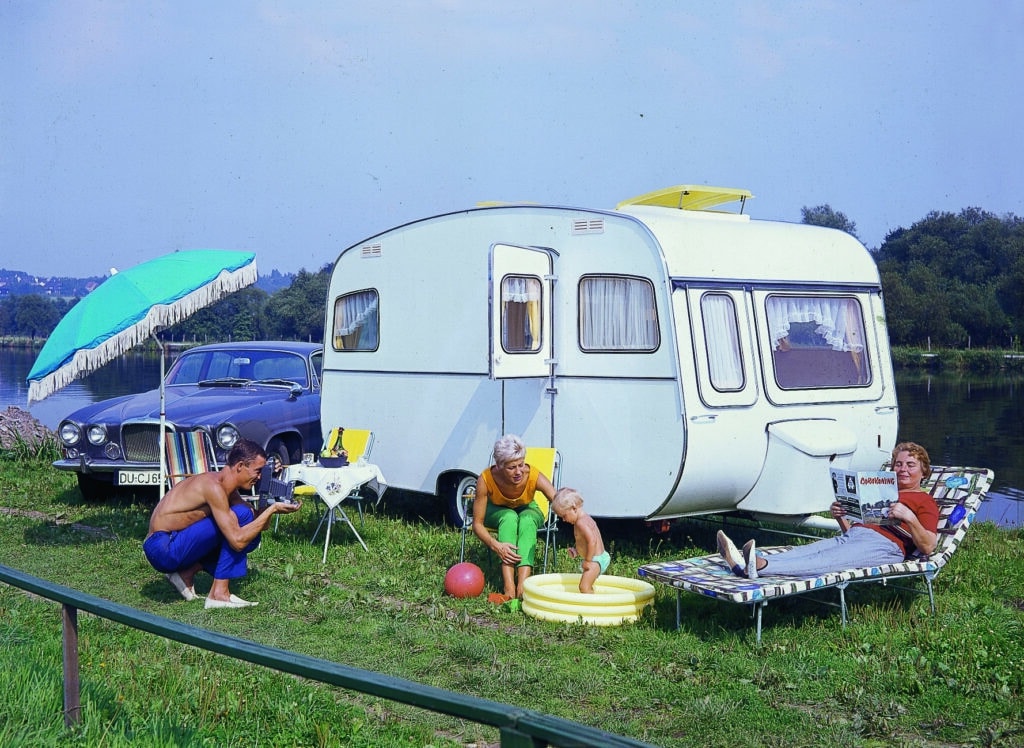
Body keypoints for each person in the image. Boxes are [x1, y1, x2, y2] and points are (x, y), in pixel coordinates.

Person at [717, 442, 938, 579]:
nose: (903, 470)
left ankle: (759, 565)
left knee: (826, 562)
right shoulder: (883, 490)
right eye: (899, 464)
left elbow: (928, 545)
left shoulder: (924, 501)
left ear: (924, 472)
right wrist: (842, 518)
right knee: (810, 551)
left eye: (911, 465)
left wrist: (908, 517)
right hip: (857, 535)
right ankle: (751, 562)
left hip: (886, 547)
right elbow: (855, 529)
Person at [143, 438, 302, 609]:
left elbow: (258, 524)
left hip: (175, 541)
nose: (259, 476)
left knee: (246, 520)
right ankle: (218, 594)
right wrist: (272, 510)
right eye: (257, 471)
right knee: (239, 520)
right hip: (162, 547)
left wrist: (267, 497)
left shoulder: (228, 490)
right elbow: (237, 541)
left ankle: (185, 575)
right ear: (240, 466)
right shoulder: (213, 487)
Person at [473, 434, 557, 603]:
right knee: (509, 517)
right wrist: (495, 545)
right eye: (512, 467)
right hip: (497, 510)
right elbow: (477, 524)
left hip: (528, 508)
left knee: (527, 519)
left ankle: (523, 587)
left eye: (521, 464)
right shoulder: (486, 479)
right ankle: (509, 588)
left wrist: (581, 520)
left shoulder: (531, 474)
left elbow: (557, 499)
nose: (519, 471)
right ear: (499, 466)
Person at [550, 488, 609, 593]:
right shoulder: (584, 519)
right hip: (597, 557)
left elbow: (592, 541)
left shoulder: (581, 523)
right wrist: (577, 550)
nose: (563, 520)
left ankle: (593, 607)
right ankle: (591, 600)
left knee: (583, 587)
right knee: (586, 586)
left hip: (595, 560)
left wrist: (588, 561)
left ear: (574, 508)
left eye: (564, 516)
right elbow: (584, 541)